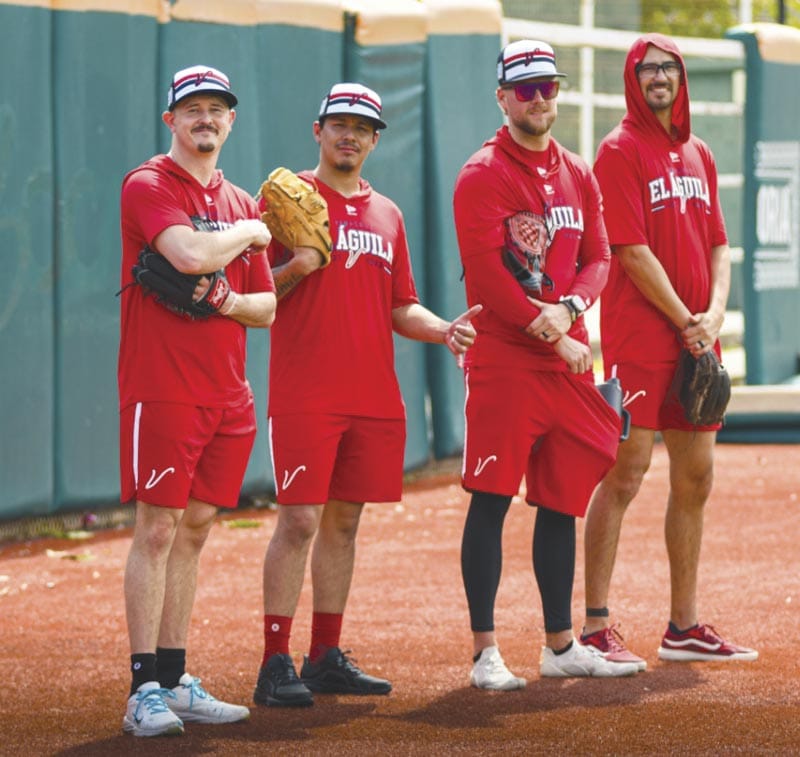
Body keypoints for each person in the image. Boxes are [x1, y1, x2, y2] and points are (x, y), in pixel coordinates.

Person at [253, 82, 481, 707]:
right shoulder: (285, 201)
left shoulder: (388, 215)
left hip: (372, 393)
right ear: (318, 130)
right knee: (300, 520)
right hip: (306, 392)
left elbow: (400, 305)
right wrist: (299, 261)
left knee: (344, 523)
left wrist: (445, 330)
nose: (350, 134)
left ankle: (324, 655)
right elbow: (257, 295)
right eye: (339, 123)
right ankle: (274, 661)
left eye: (363, 126)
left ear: (377, 139)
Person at [452, 39, 640, 691]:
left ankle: (560, 642)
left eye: (547, 87)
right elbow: (485, 275)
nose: (538, 99)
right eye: (524, 89)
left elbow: (600, 255)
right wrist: (549, 327)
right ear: (502, 97)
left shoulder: (577, 170)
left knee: (561, 498)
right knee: (492, 498)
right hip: (508, 362)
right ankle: (485, 651)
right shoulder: (482, 172)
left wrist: (568, 308)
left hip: (566, 356)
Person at [581, 34, 758, 667]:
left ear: (682, 78)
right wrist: (687, 318)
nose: (658, 76)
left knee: (697, 477)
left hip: (695, 338)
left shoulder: (699, 153)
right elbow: (629, 249)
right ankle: (596, 625)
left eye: (668, 67)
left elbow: (719, 243)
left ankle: (683, 626)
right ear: (633, 80)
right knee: (625, 472)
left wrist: (710, 315)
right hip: (642, 337)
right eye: (646, 68)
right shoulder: (619, 150)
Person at [118, 65, 277, 737]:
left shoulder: (240, 198)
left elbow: (266, 307)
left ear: (231, 120)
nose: (205, 118)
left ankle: (176, 675)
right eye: (193, 108)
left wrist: (227, 299)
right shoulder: (150, 183)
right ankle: (141, 689)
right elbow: (184, 253)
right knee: (156, 530)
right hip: (164, 386)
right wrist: (252, 233)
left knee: (196, 528)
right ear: (171, 120)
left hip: (227, 393)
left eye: (217, 108)